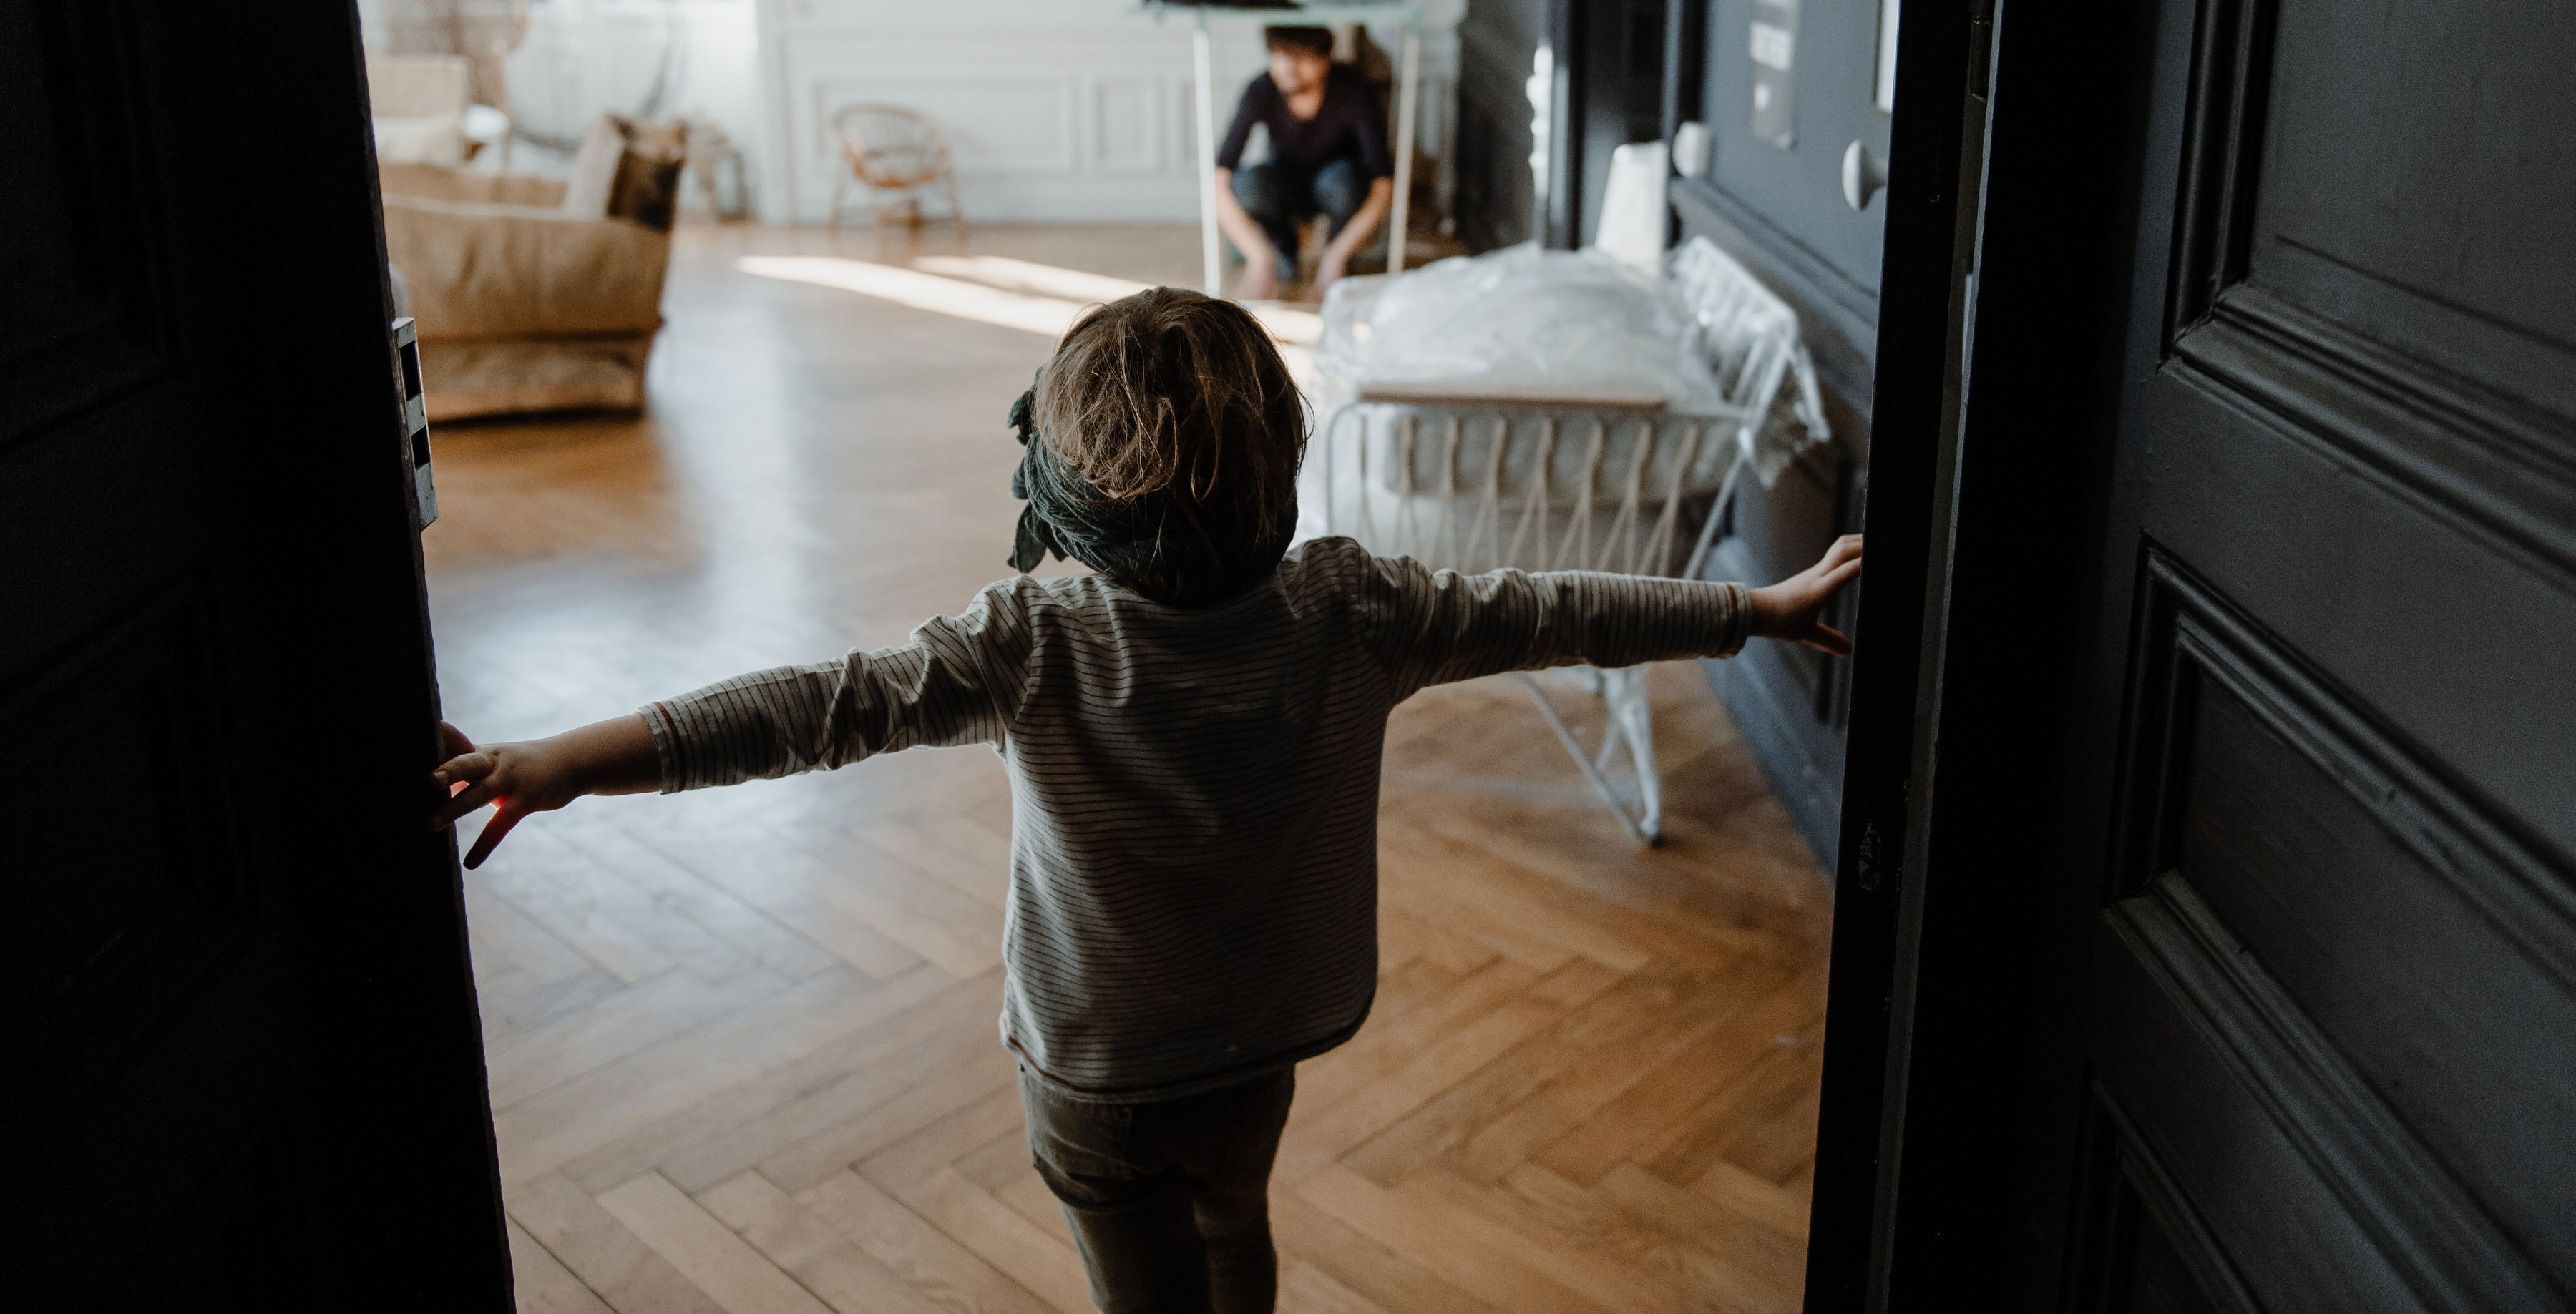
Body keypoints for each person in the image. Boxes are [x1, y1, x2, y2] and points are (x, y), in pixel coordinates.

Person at [429, 288, 1863, 1314]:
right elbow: (1562, 610)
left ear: (1056, 498)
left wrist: (566, 758)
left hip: (1097, 1067)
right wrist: (1756, 605)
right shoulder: (1359, 611)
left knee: (1141, 1281)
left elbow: (807, 709)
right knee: (1237, 1223)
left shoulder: (1029, 642)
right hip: (1265, 1036)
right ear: (1286, 472)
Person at [1211, 26, 1392, 301]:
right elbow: (1219, 180)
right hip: (1285, 182)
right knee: (1247, 184)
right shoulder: (1261, 90)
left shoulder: (1352, 89)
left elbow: (1382, 186)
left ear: (1325, 61)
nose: (1288, 68)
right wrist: (1257, 254)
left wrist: (1337, 255)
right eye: (1280, 56)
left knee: (1343, 180)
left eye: (1302, 58)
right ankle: (1282, 249)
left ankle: (1337, 257)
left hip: (1339, 184)